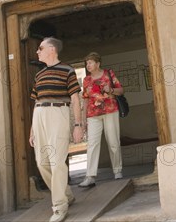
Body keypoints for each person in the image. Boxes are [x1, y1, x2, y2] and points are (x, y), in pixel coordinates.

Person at [29, 37, 84, 222]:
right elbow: (36, 101)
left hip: (58, 113)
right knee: (42, 162)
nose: (37, 51)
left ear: (51, 49)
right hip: (39, 115)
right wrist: (32, 129)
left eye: (40, 48)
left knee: (57, 162)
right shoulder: (39, 74)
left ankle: (60, 207)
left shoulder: (67, 70)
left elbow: (75, 99)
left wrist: (78, 124)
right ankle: (67, 194)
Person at [78, 52, 124, 187]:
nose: (88, 65)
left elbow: (121, 90)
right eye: (87, 63)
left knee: (113, 142)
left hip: (110, 111)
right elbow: (85, 99)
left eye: (90, 63)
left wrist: (111, 90)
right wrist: (83, 120)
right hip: (93, 115)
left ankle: (117, 171)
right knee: (92, 144)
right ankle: (90, 176)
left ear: (98, 64)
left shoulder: (108, 74)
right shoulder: (86, 80)